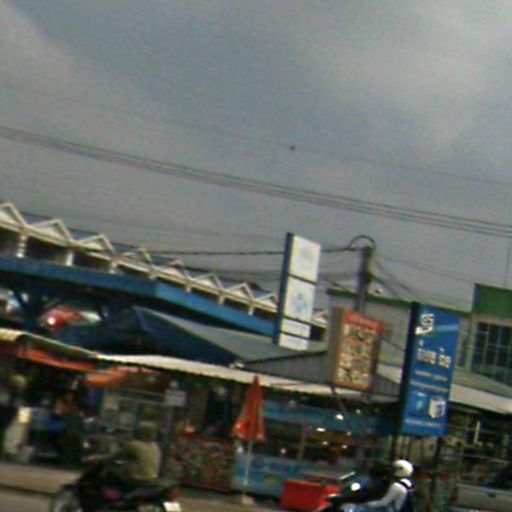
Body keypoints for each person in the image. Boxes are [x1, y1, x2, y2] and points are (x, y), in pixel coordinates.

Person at [347, 459, 415, 512]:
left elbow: (384, 502)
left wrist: (367, 504)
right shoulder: (407, 484)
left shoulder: (397, 486)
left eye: (394, 469)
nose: (391, 471)